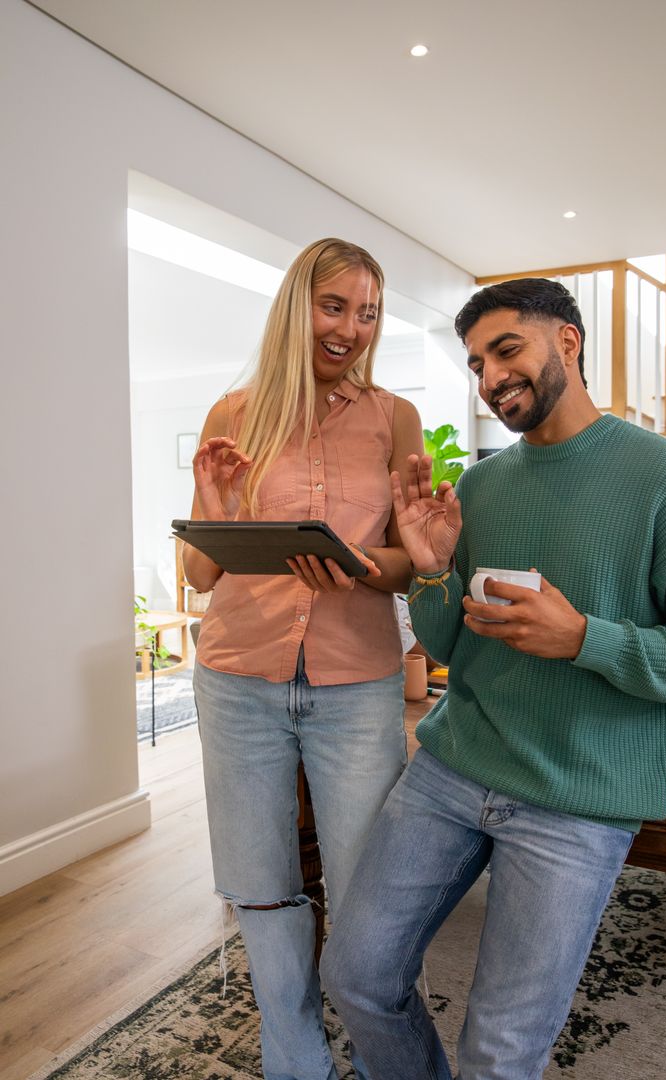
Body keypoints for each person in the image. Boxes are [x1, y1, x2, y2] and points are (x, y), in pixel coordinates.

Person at [321, 277, 666, 1079]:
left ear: (567, 341)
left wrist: (585, 639)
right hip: (451, 767)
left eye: (508, 349)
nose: (491, 376)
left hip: (579, 799)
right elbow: (447, 642)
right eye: (476, 363)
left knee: (501, 1053)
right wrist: (430, 572)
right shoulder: (481, 484)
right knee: (356, 976)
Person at [183, 237, 423, 1080]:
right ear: (297, 308)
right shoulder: (231, 413)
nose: (352, 328)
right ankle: (298, 1060)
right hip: (237, 675)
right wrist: (213, 505)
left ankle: (382, 1052)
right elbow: (201, 569)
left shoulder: (394, 417)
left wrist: (361, 568)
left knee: (368, 888)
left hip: (356, 683)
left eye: (368, 312)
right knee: (260, 880)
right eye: (335, 307)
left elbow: (408, 559)